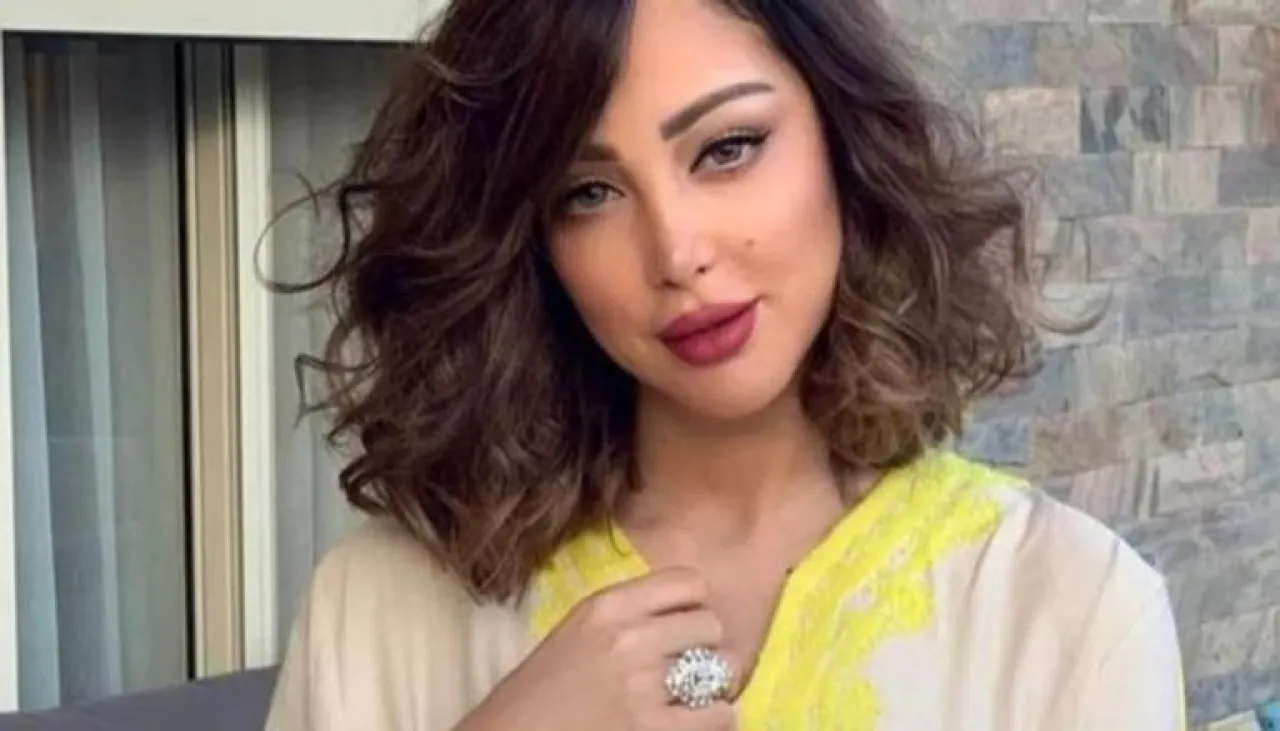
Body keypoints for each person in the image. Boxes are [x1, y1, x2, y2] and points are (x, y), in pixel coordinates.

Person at [265, 0, 1186, 728]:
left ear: (845, 140)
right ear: (530, 242)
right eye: (589, 193)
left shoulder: (1071, 609)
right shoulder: (380, 605)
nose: (677, 252)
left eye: (728, 149)